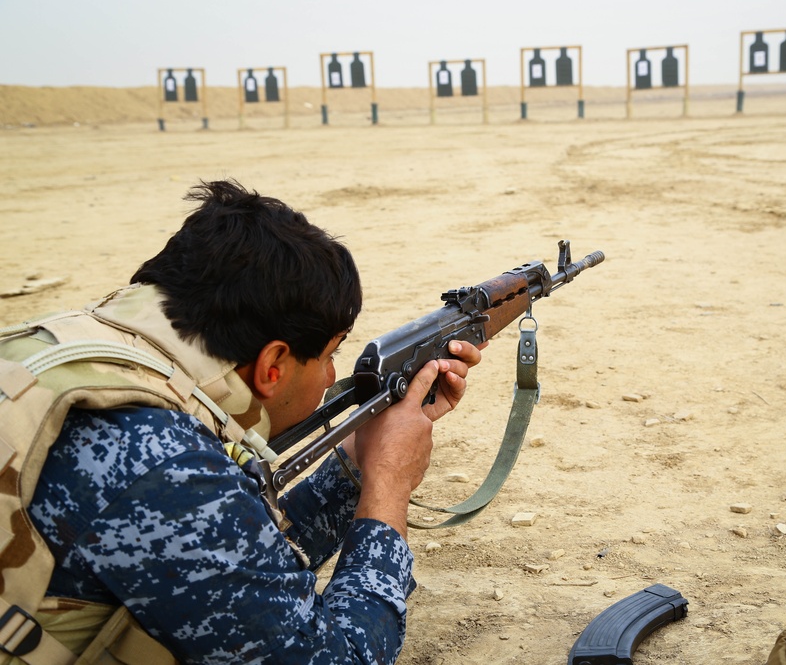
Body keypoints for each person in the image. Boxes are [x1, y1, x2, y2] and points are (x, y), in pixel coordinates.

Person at [0, 179, 482, 664]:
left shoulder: (80, 352)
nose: (333, 375)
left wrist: (355, 463)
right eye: (330, 355)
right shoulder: (167, 467)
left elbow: (237, 565)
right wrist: (388, 490)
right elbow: (334, 657)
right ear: (274, 366)